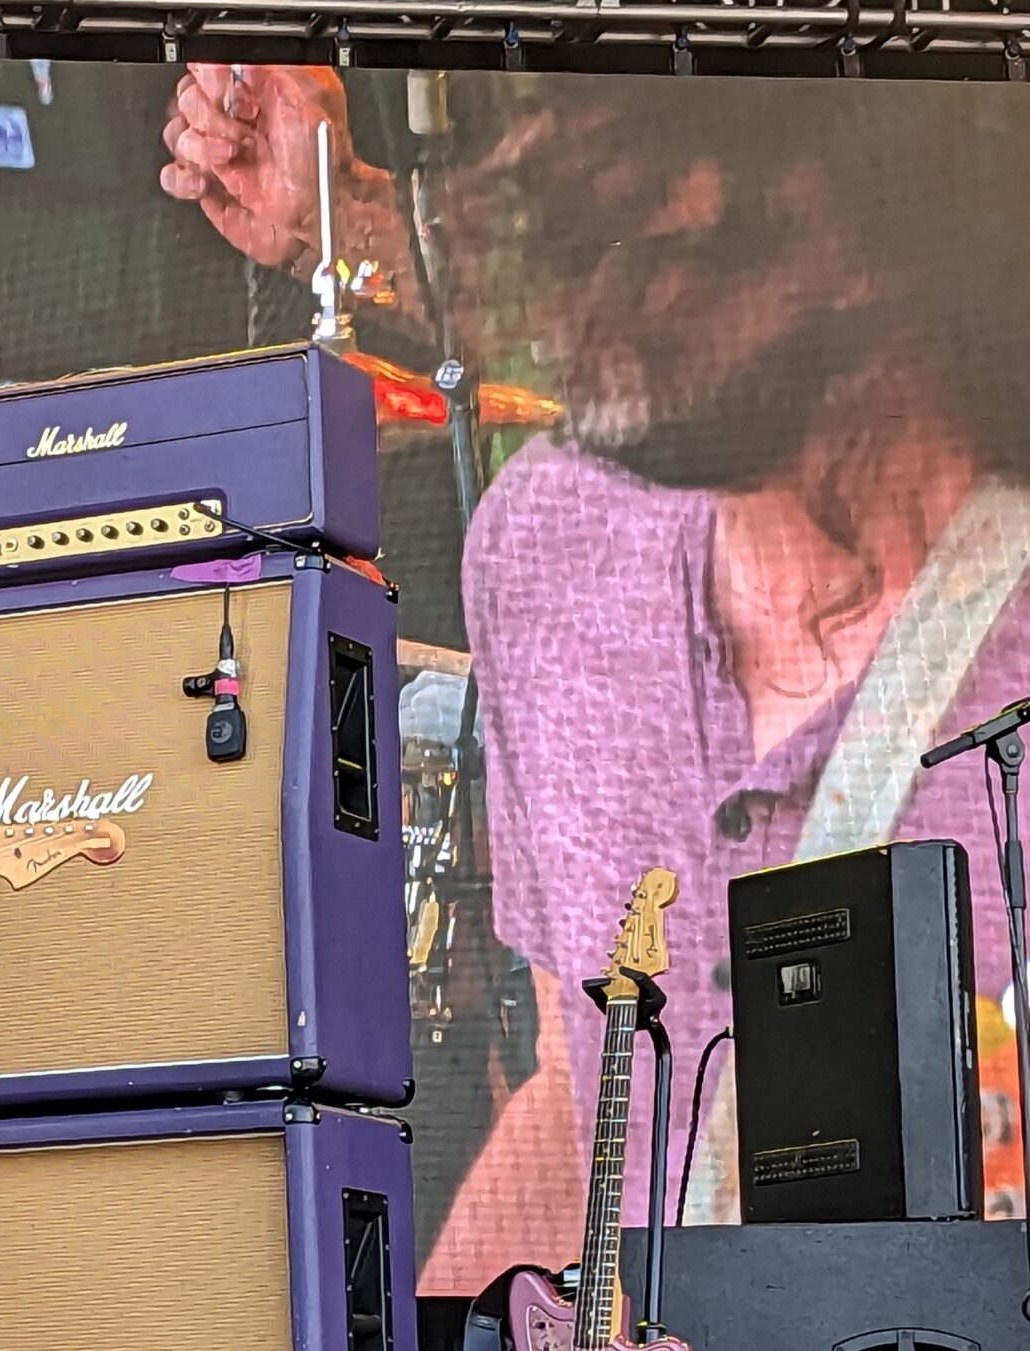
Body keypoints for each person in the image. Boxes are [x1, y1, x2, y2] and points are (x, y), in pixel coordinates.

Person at [160, 71, 1030, 1287]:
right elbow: (584, 1114)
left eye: (656, 207)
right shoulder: (546, 545)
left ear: (882, 204)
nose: (591, 297)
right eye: (561, 197)